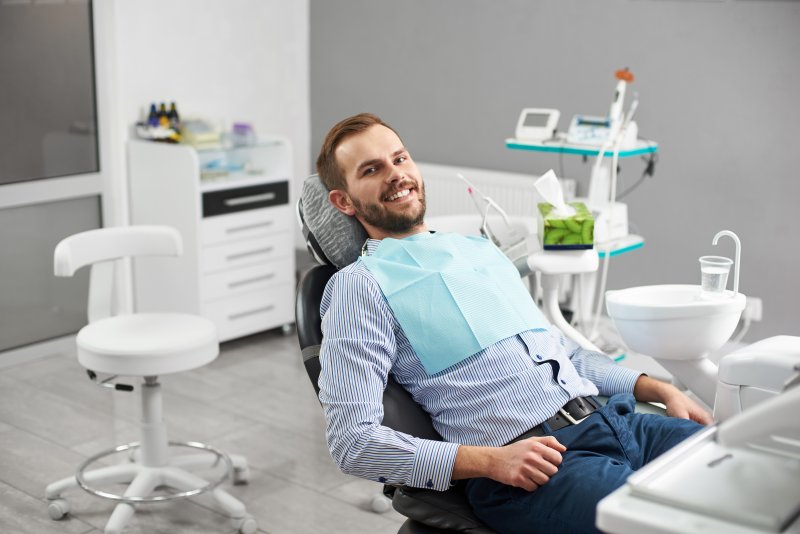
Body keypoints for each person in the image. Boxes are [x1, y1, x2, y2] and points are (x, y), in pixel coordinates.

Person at [315, 113, 711, 534]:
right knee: (677, 525)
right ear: (344, 201)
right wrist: (489, 461)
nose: (396, 175)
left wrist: (659, 388)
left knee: (747, 476)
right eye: (372, 170)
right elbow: (352, 443)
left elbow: (567, 354)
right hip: (534, 467)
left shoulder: (479, 251)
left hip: (616, 422)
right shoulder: (359, 287)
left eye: (400, 159)